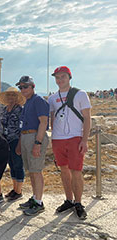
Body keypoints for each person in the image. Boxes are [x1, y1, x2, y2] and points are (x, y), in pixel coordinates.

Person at [48, 66, 91, 220]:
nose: (60, 80)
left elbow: (87, 118)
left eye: (63, 77)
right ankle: (69, 200)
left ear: (69, 77)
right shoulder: (52, 98)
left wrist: (84, 140)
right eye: (57, 77)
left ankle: (79, 203)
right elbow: (53, 119)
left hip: (74, 138)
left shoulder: (80, 94)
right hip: (58, 139)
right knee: (64, 170)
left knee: (76, 171)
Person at [15, 76, 49, 216]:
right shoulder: (27, 102)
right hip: (26, 136)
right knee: (31, 170)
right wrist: (20, 144)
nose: (23, 89)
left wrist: (38, 142)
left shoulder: (38, 100)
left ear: (33, 86)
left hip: (35, 136)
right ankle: (35, 198)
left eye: (25, 86)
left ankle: (39, 202)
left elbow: (43, 122)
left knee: (36, 170)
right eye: (20, 87)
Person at [0, 87, 26, 201]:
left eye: (13, 95)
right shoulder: (4, 109)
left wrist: (20, 143)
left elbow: (22, 127)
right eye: (9, 95)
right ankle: (15, 189)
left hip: (16, 140)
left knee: (18, 165)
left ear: (17, 97)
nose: (10, 97)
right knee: (12, 165)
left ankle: (19, 191)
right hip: (6, 140)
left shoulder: (20, 109)